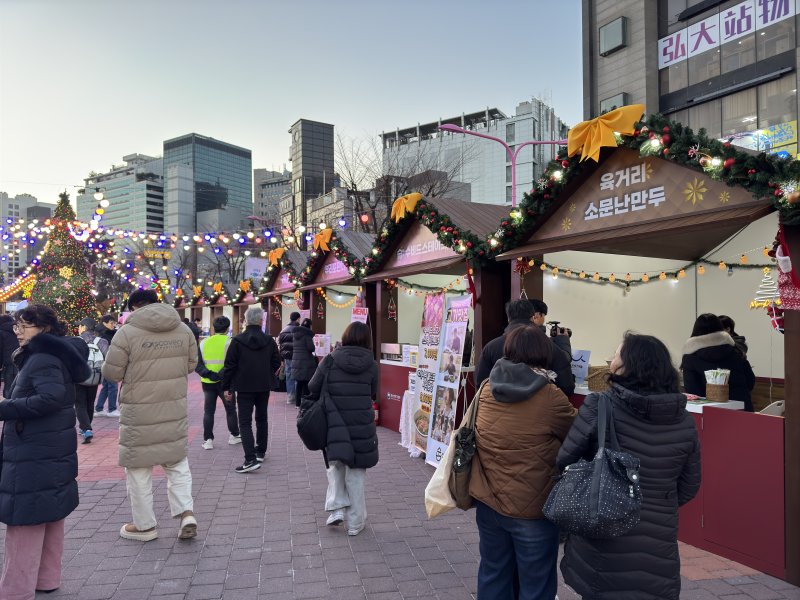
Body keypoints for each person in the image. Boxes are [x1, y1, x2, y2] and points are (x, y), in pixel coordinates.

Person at [558, 332, 702, 600]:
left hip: (603, 530)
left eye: (616, 354)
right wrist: (655, 503)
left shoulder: (599, 405)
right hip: (658, 540)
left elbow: (565, 459)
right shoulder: (684, 420)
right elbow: (689, 485)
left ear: (626, 366)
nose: (611, 359)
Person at [469, 324, 577, 600]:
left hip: (488, 501)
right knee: (536, 584)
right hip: (533, 508)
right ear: (544, 354)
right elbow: (576, 436)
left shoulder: (485, 389)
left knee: (493, 573)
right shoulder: (551, 396)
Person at [0, 304, 90, 598]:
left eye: (24, 326)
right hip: (50, 448)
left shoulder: (42, 359)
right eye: (16, 326)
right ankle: (46, 579)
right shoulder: (53, 355)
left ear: (45, 328)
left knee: (24, 521)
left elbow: (50, 398)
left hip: (34, 450)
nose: (18, 332)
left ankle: (15, 590)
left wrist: (5, 408)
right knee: (49, 514)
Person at [102, 289, 199, 542]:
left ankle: (145, 527)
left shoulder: (126, 333)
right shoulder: (183, 330)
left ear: (133, 307)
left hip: (138, 411)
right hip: (173, 408)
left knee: (139, 469)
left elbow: (112, 373)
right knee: (177, 463)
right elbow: (191, 365)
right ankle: (186, 513)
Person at [308, 321, 378, 537]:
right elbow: (373, 392)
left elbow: (312, 386)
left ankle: (336, 509)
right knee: (356, 473)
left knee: (336, 466)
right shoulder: (372, 364)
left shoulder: (330, 359)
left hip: (334, 422)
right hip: (361, 424)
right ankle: (356, 523)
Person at [221, 307, 281, 473]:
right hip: (264, 385)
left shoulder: (237, 340)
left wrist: (227, 387)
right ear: (262, 320)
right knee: (262, 418)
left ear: (245, 321)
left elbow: (229, 366)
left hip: (243, 386)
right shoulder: (269, 340)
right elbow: (277, 363)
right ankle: (260, 451)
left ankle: (250, 458)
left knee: (245, 422)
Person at [476, 299, 575, 397]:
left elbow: (481, 385)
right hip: (539, 409)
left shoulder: (491, 347)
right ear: (533, 318)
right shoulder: (548, 345)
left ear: (508, 319)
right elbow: (566, 387)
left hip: (499, 408)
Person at [681, 313, 756, 411]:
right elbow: (750, 381)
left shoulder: (690, 357)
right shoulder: (735, 350)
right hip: (743, 407)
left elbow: (693, 391)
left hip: (710, 412)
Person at [196, 316, 241, 450]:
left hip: (207, 382)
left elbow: (198, 365)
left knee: (209, 411)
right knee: (231, 409)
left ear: (213, 328)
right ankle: (234, 435)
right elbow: (233, 364)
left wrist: (209, 374)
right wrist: (220, 375)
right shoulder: (231, 342)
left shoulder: (203, 343)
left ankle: (208, 440)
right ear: (228, 328)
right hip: (226, 383)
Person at [74, 317, 108, 444]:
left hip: (79, 378)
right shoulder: (102, 342)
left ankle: (86, 429)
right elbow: (107, 358)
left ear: (83, 327)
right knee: (90, 403)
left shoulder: (76, 341)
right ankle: (86, 427)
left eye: (80, 326)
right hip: (95, 377)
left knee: (80, 404)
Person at [94, 315, 120, 417]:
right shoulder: (105, 334)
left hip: (103, 363)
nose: (113, 325)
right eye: (111, 323)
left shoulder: (100, 332)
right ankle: (112, 409)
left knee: (106, 386)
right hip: (109, 362)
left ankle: (99, 408)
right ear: (104, 323)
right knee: (113, 386)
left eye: (114, 323)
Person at [291, 317, 317, 408]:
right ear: (309, 326)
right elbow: (311, 348)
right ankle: (305, 403)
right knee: (306, 383)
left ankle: (297, 404)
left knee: (299, 383)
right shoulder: (307, 335)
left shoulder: (295, 335)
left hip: (296, 361)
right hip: (305, 361)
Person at [278, 311, 300, 405]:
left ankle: (290, 397)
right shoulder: (298, 330)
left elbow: (281, 346)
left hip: (287, 357)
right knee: (297, 376)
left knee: (289, 375)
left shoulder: (283, 330)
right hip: (296, 356)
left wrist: (282, 359)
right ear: (298, 319)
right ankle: (297, 396)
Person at [0, 314, 19, 398]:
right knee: (19, 385)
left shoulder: (1, 332)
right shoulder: (18, 329)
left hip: (8, 362)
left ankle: (9, 404)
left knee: (8, 386)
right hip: (20, 360)